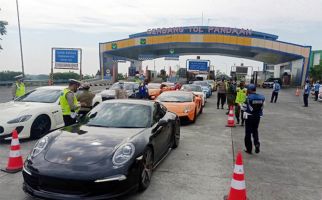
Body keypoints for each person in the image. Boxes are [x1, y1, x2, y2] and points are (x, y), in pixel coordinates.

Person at [242, 84, 265, 154]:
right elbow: (263, 107)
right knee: (255, 131)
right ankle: (257, 144)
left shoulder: (248, 98)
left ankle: (249, 149)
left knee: (248, 133)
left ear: (249, 90)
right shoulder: (261, 97)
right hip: (257, 117)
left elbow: (244, 108)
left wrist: (241, 107)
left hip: (249, 117)